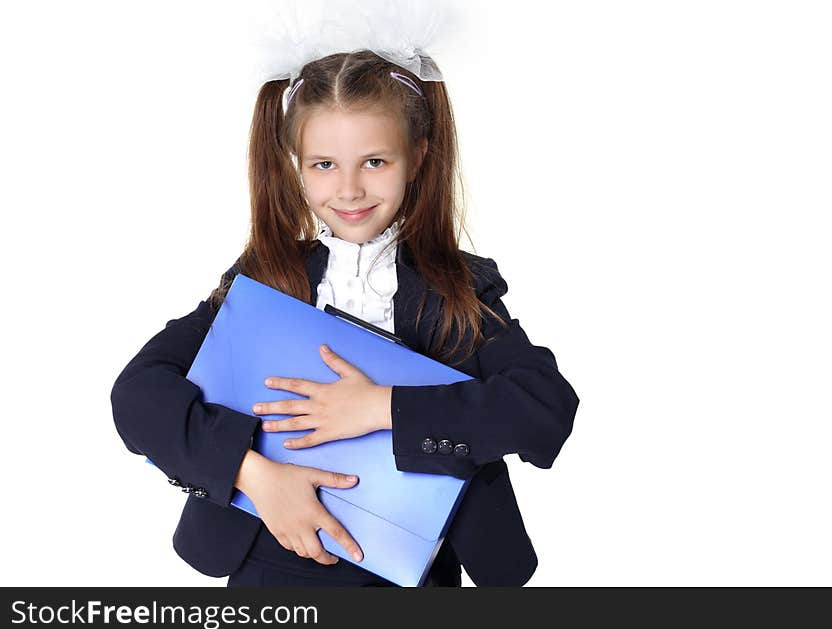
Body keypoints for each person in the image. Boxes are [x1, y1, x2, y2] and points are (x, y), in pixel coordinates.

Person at [110, 46, 579, 587]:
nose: (350, 188)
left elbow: (544, 407)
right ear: (297, 167)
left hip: (410, 570)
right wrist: (253, 474)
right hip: (264, 560)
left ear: (419, 156)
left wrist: (384, 407)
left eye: (375, 161)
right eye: (324, 164)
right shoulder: (264, 277)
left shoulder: (458, 287)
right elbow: (138, 394)